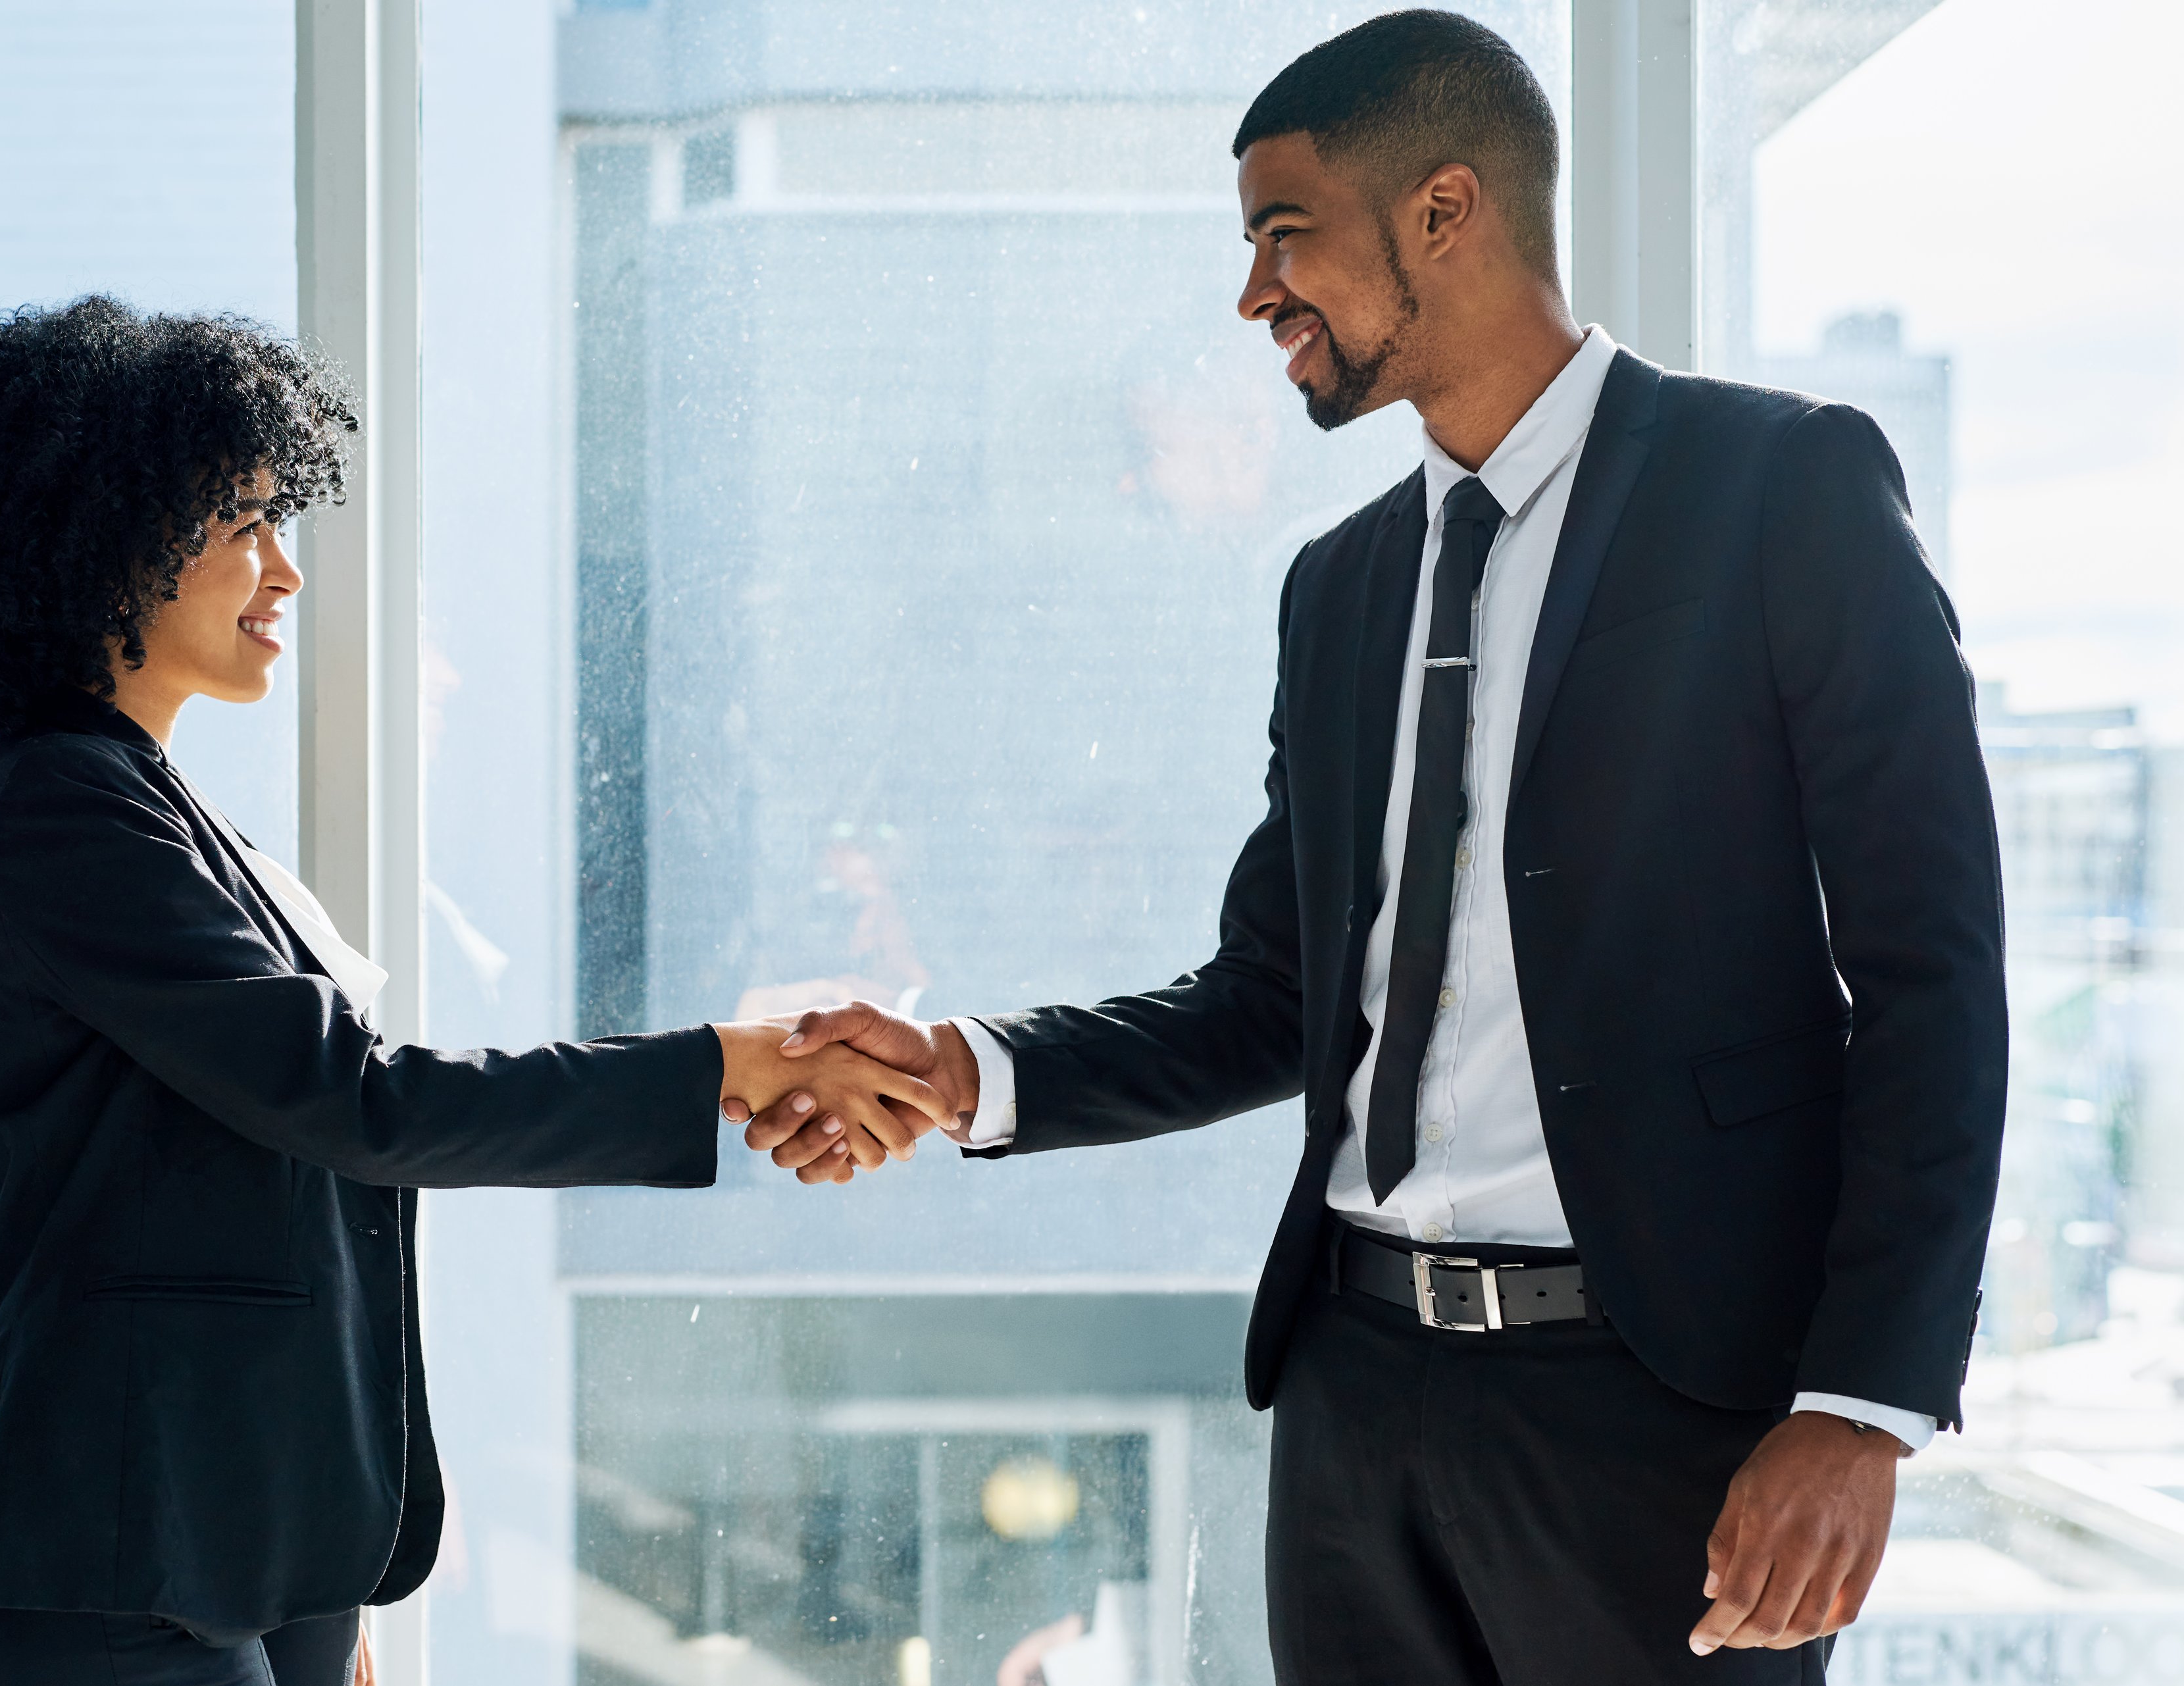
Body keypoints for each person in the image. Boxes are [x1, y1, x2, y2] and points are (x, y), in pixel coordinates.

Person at [736, 12, 2007, 1682]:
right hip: (1355, 1395)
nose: (1254, 296)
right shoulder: (1336, 590)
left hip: (1666, 1413)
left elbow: (1932, 971)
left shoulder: (1782, 490)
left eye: (1283, 235)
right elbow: (1277, 997)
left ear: (1444, 209)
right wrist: (962, 1069)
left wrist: (1861, 1408)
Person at [0, 297, 948, 1686]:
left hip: (237, 1520)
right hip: (109, 1536)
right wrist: (722, 1066)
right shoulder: (62, 810)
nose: (284, 574)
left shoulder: (156, 808)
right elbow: (354, 1105)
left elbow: (269, 1188)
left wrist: (321, 1572)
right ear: (107, 547)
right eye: (243, 525)